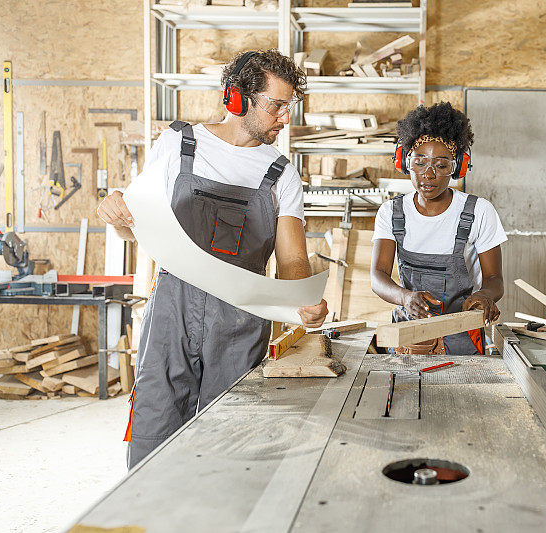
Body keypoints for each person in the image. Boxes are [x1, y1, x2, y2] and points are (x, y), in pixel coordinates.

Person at [96, 49, 328, 468]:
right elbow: (136, 227)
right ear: (238, 99)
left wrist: (303, 300)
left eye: (288, 107)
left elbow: (292, 257)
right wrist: (116, 214)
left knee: (232, 436)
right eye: (276, 106)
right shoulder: (177, 145)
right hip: (173, 308)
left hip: (242, 317)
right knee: (156, 423)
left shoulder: (282, 173)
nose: (284, 118)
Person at [370, 102, 506, 355]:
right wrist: (404, 298)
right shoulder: (391, 213)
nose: (428, 174)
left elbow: (495, 280)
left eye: (441, 165)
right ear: (404, 161)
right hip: (410, 335)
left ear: (458, 167)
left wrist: (486, 295)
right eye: (420, 163)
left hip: (463, 335)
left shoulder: (479, 211)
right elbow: (378, 277)